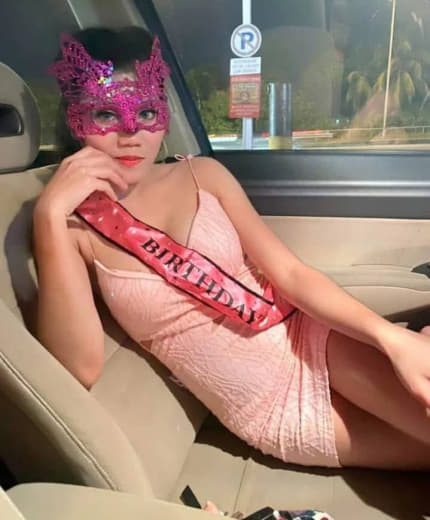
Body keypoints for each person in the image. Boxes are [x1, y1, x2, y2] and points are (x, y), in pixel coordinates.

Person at [33, 26, 430, 472]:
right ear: (74, 118)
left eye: (146, 111)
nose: (131, 133)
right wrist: (48, 216)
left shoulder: (202, 174)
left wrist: (390, 338)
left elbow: (292, 275)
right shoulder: (75, 226)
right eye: (106, 113)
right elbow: (79, 367)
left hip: (309, 335)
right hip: (271, 406)